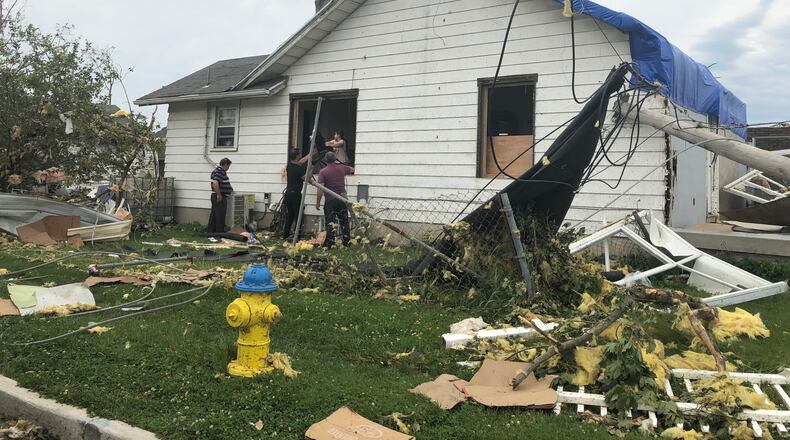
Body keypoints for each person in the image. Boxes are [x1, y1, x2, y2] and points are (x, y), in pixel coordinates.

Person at [316, 151, 354, 247]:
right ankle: (346, 242)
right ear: (335, 159)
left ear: (325, 160)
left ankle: (330, 242)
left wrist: (318, 202)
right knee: (344, 221)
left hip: (330, 200)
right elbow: (352, 169)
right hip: (342, 199)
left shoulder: (323, 172)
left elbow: (320, 189)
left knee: (330, 222)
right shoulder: (342, 168)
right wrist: (341, 164)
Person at [282, 149, 310, 240]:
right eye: (299, 154)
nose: (300, 156)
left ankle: (285, 235)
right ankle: (297, 236)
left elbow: (300, 162)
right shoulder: (299, 169)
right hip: (295, 196)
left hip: (288, 194)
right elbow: (307, 179)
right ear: (297, 156)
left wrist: (310, 155)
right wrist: (311, 168)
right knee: (298, 216)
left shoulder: (289, 166)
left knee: (290, 215)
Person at [207, 158, 233, 233]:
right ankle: (219, 232)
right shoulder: (220, 171)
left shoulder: (218, 171)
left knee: (215, 214)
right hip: (219, 196)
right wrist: (219, 195)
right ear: (225, 164)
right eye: (228, 166)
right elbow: (215, 182)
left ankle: (211, 231)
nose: (228, 168)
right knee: (220, 215)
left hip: (217, 195)